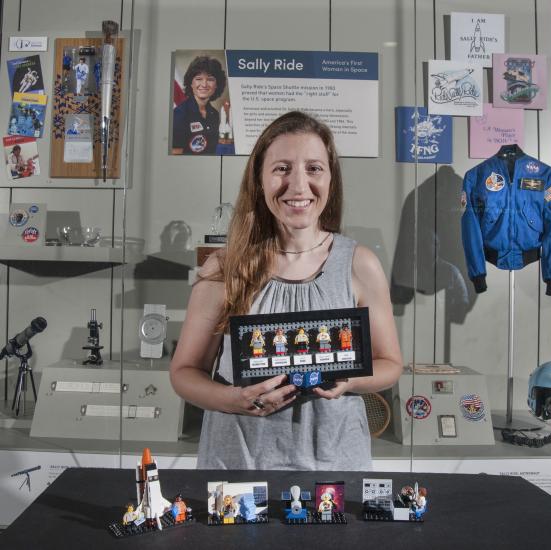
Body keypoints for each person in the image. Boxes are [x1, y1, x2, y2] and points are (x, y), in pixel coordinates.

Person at [170, 111, 403, 470]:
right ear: (259, 180)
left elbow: (390, 365)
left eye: (313, 168)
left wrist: (350, 379)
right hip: (238, 464)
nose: (298, 186)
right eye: (282, 168)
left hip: (334, 465)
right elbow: (184, 372)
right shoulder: (224, 266)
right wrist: (234, 399)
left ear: (330, 179)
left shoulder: (360, 263)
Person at [172, 55, 226, 155]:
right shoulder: (179, 114)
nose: (204, 84)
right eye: (199, 79)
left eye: (210, 79)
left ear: (217, 84)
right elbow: (175, 154)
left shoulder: (214, 114)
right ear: (191, 83)